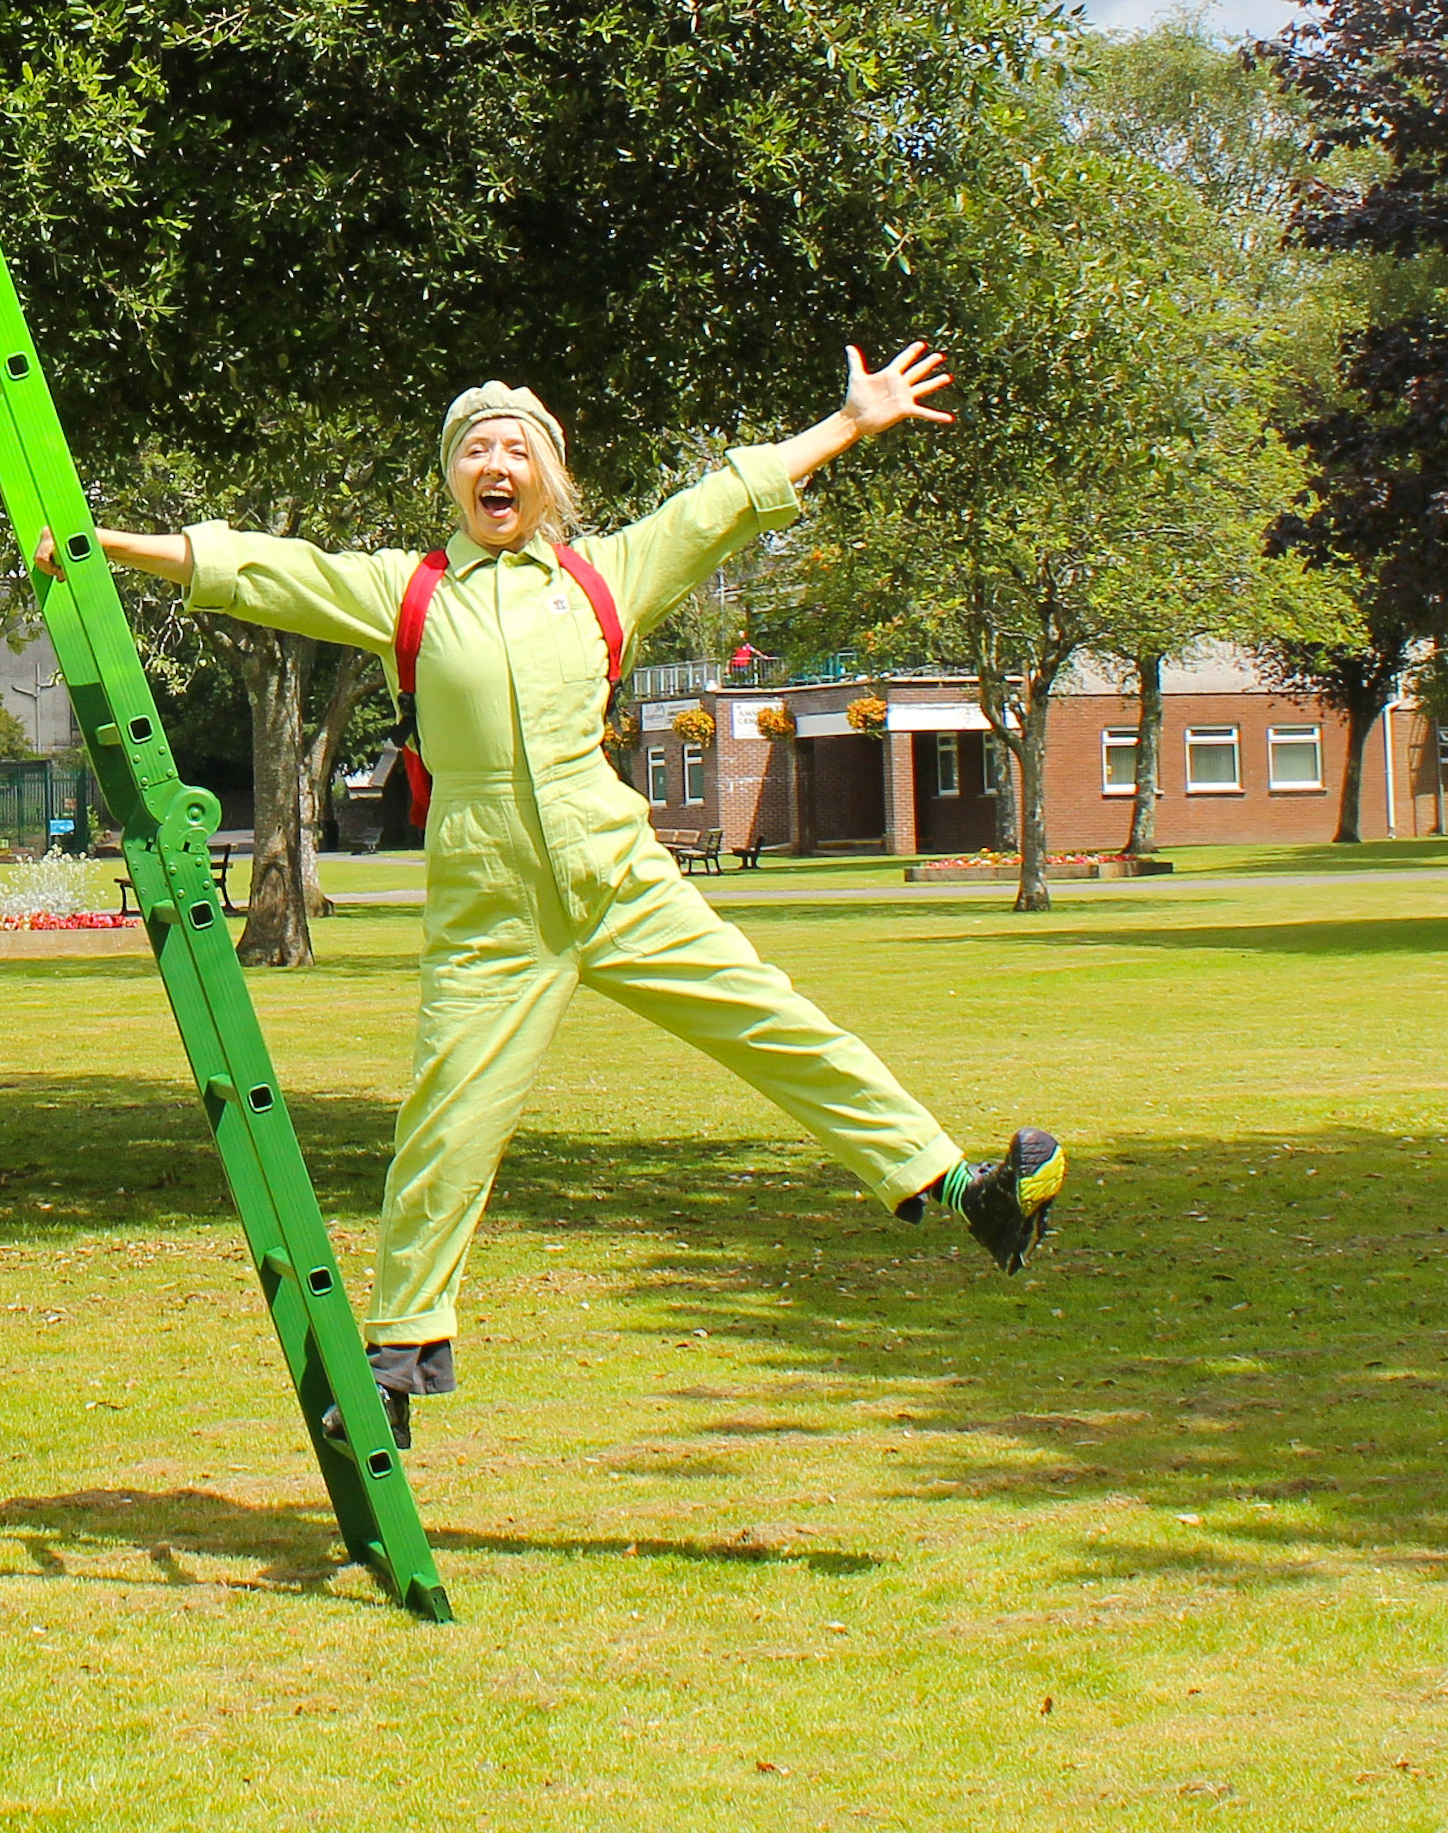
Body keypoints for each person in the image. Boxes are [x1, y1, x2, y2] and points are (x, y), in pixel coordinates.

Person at [58, 345, 1064, 1442]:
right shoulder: (410, 590)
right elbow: (265, 567)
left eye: (515, 445)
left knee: (775, 1020)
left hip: (618, 875)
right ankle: (397, 1357)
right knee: (446, 1118)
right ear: (453, 479)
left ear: (549, 473)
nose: (495, 461)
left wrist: (850, 419)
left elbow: (724, 501)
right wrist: (107, 543)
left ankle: (959, 1188)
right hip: (491, 906)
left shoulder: (607, 574)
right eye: (474, 449)